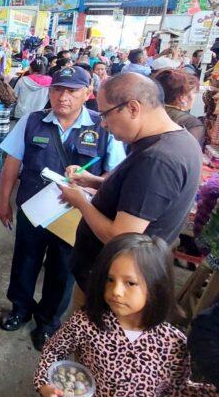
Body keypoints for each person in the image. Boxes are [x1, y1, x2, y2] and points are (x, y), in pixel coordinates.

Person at [34, 234, 219, 397]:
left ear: (157, 287)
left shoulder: (172, 343)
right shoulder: (87, 323)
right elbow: (53, 351)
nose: (116, 291)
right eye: (110, 280)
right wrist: (45, 384)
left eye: (130, 283)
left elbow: (176, 390)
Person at [0, 67, 125, 350]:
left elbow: (115, 176)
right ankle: (20, 308)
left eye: (72, 91)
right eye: (57, 90)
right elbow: (11, 164)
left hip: (75, 216)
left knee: (63, 268)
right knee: (25, 260)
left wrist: (90, 185)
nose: (62, 97)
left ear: (87, 94)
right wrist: (3, 201)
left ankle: (48, 322)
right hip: (33, 210)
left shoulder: (103, 127)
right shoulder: (32, 122)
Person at [61, 73, 203, 305]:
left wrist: (81, 202)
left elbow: (122, 236)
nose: (103, 124)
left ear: (133, 108)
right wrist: (95, 181)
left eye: (105, 114)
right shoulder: (178, 140)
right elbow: (144, 197)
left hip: (114, 286)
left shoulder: (157, 160)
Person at [151, 68, 204, 144]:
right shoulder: (191, 124)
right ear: (183, 98)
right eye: (194, 92)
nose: (195, 96)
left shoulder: (148, 111)